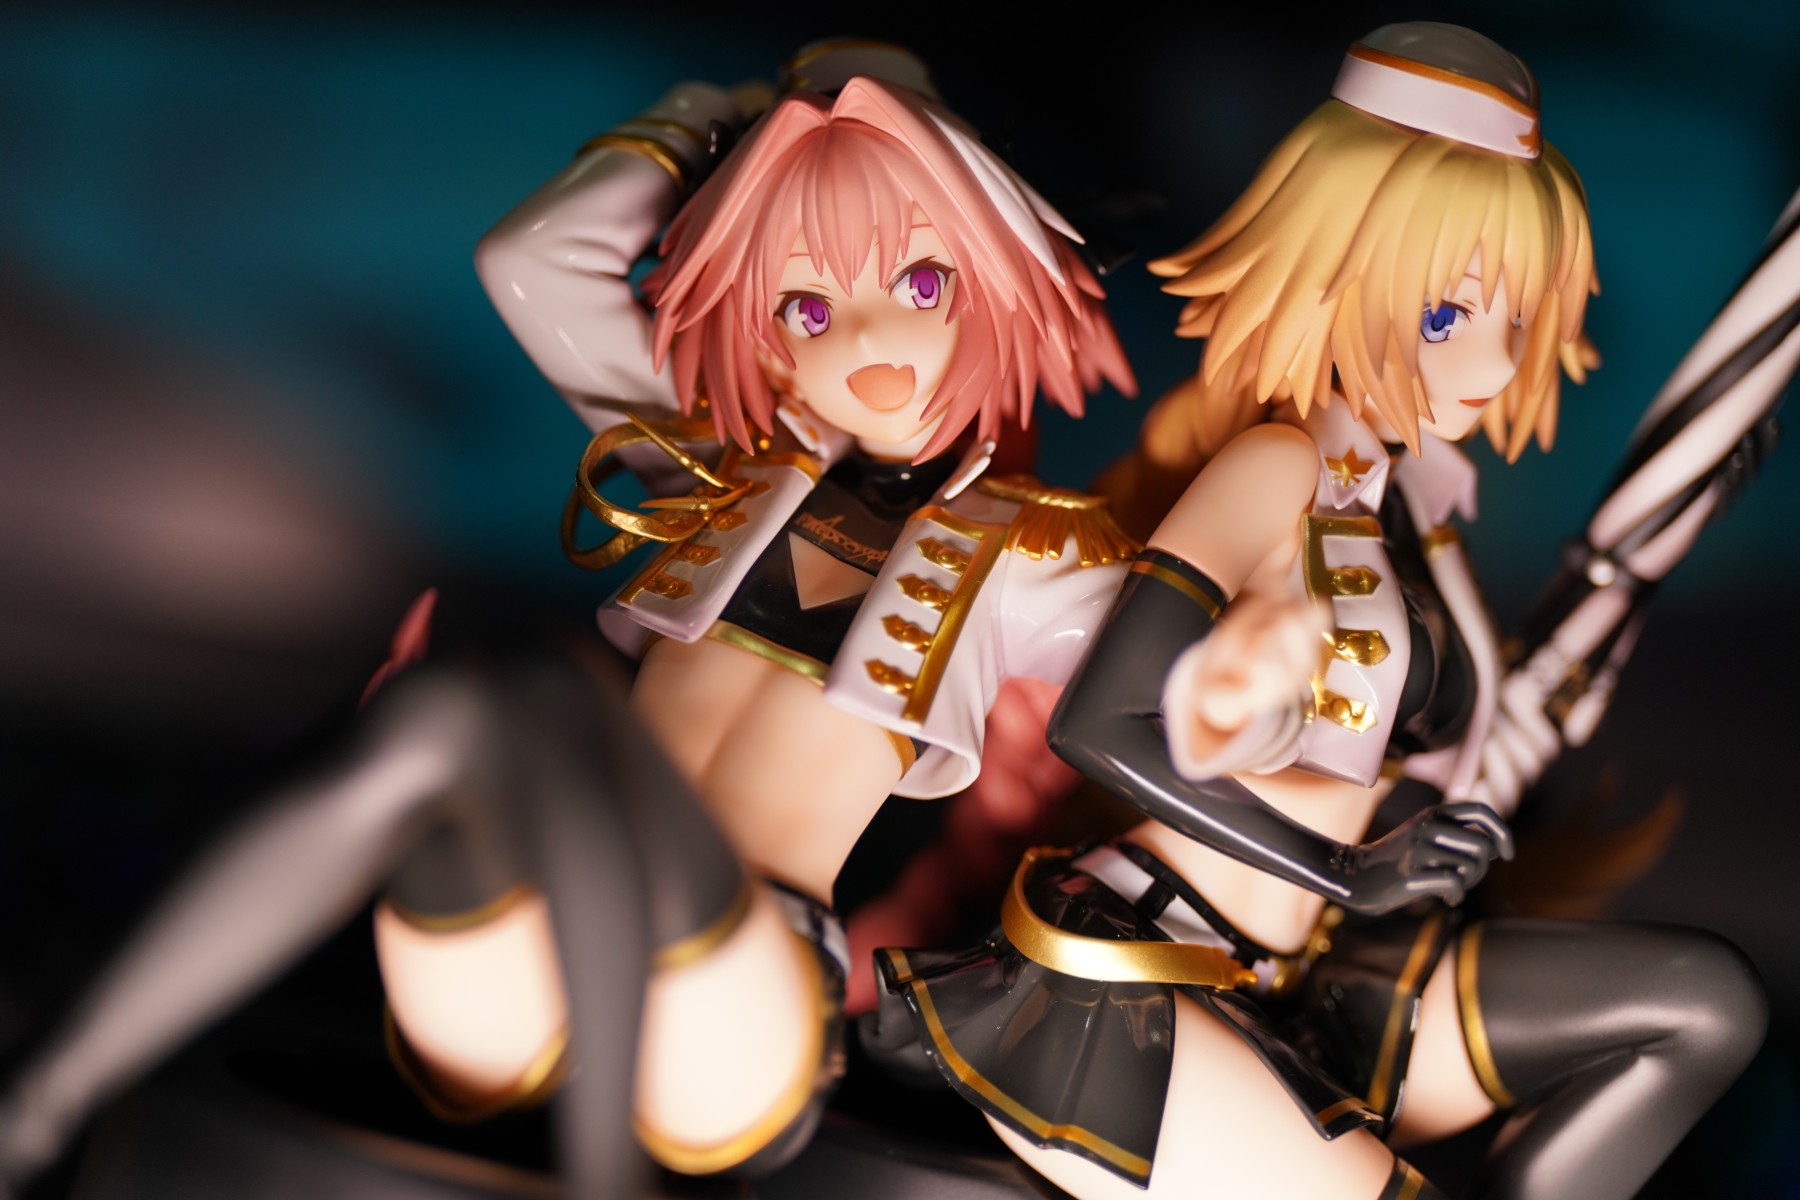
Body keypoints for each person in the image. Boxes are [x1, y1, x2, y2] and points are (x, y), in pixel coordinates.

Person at [875, 24, 1765, 1200]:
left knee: (1701, 1007)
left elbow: (1455, 738)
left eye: (1515, 317)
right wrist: (1352, 871)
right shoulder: (1277, 467)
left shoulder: (1414, 508)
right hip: (1144, 966)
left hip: (1314, 970)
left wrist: (1624, 573)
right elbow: (1101, 724)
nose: (1492, 365)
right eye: (1445, 318)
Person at [376, 44, 1138, 1179]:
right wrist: (714, 126)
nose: (868, 344)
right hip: (548, 911)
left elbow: (1199, 697)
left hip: (741, 979)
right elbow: (534, 261)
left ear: (999, 270)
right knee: (425, 734)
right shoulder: (723, 468)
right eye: (808, 306)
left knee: (530, 714)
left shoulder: (1041, 558)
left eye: (922, 285)